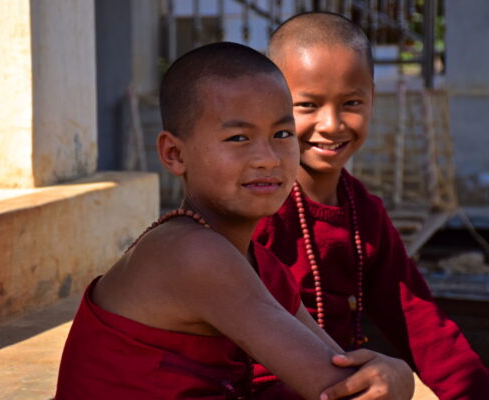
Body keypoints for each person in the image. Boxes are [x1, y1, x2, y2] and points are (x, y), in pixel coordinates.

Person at [55, 42, 413, 400]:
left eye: (282, 134)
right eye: (238, 138)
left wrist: (390, 374)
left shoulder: (263, 267)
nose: (268, 158)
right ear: (174, 153)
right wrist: (399, 376)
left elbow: (340, 369)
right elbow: (340, 390)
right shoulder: (190, 254)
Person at [253, 12, 489, 400]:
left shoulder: (364, 214)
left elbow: (422, 325)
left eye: (351, 102)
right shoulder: (258, 210)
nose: (332, 124)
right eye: (307, 105)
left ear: (372, 96)